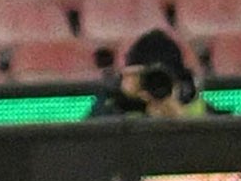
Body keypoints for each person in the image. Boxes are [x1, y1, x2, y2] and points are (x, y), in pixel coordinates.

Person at [86, 30, 217, 119]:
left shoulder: (195, 106)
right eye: (147, 78)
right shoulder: (118, 106)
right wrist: (124, 101)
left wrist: (181, 121)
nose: (156, 86)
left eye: (164, 80)